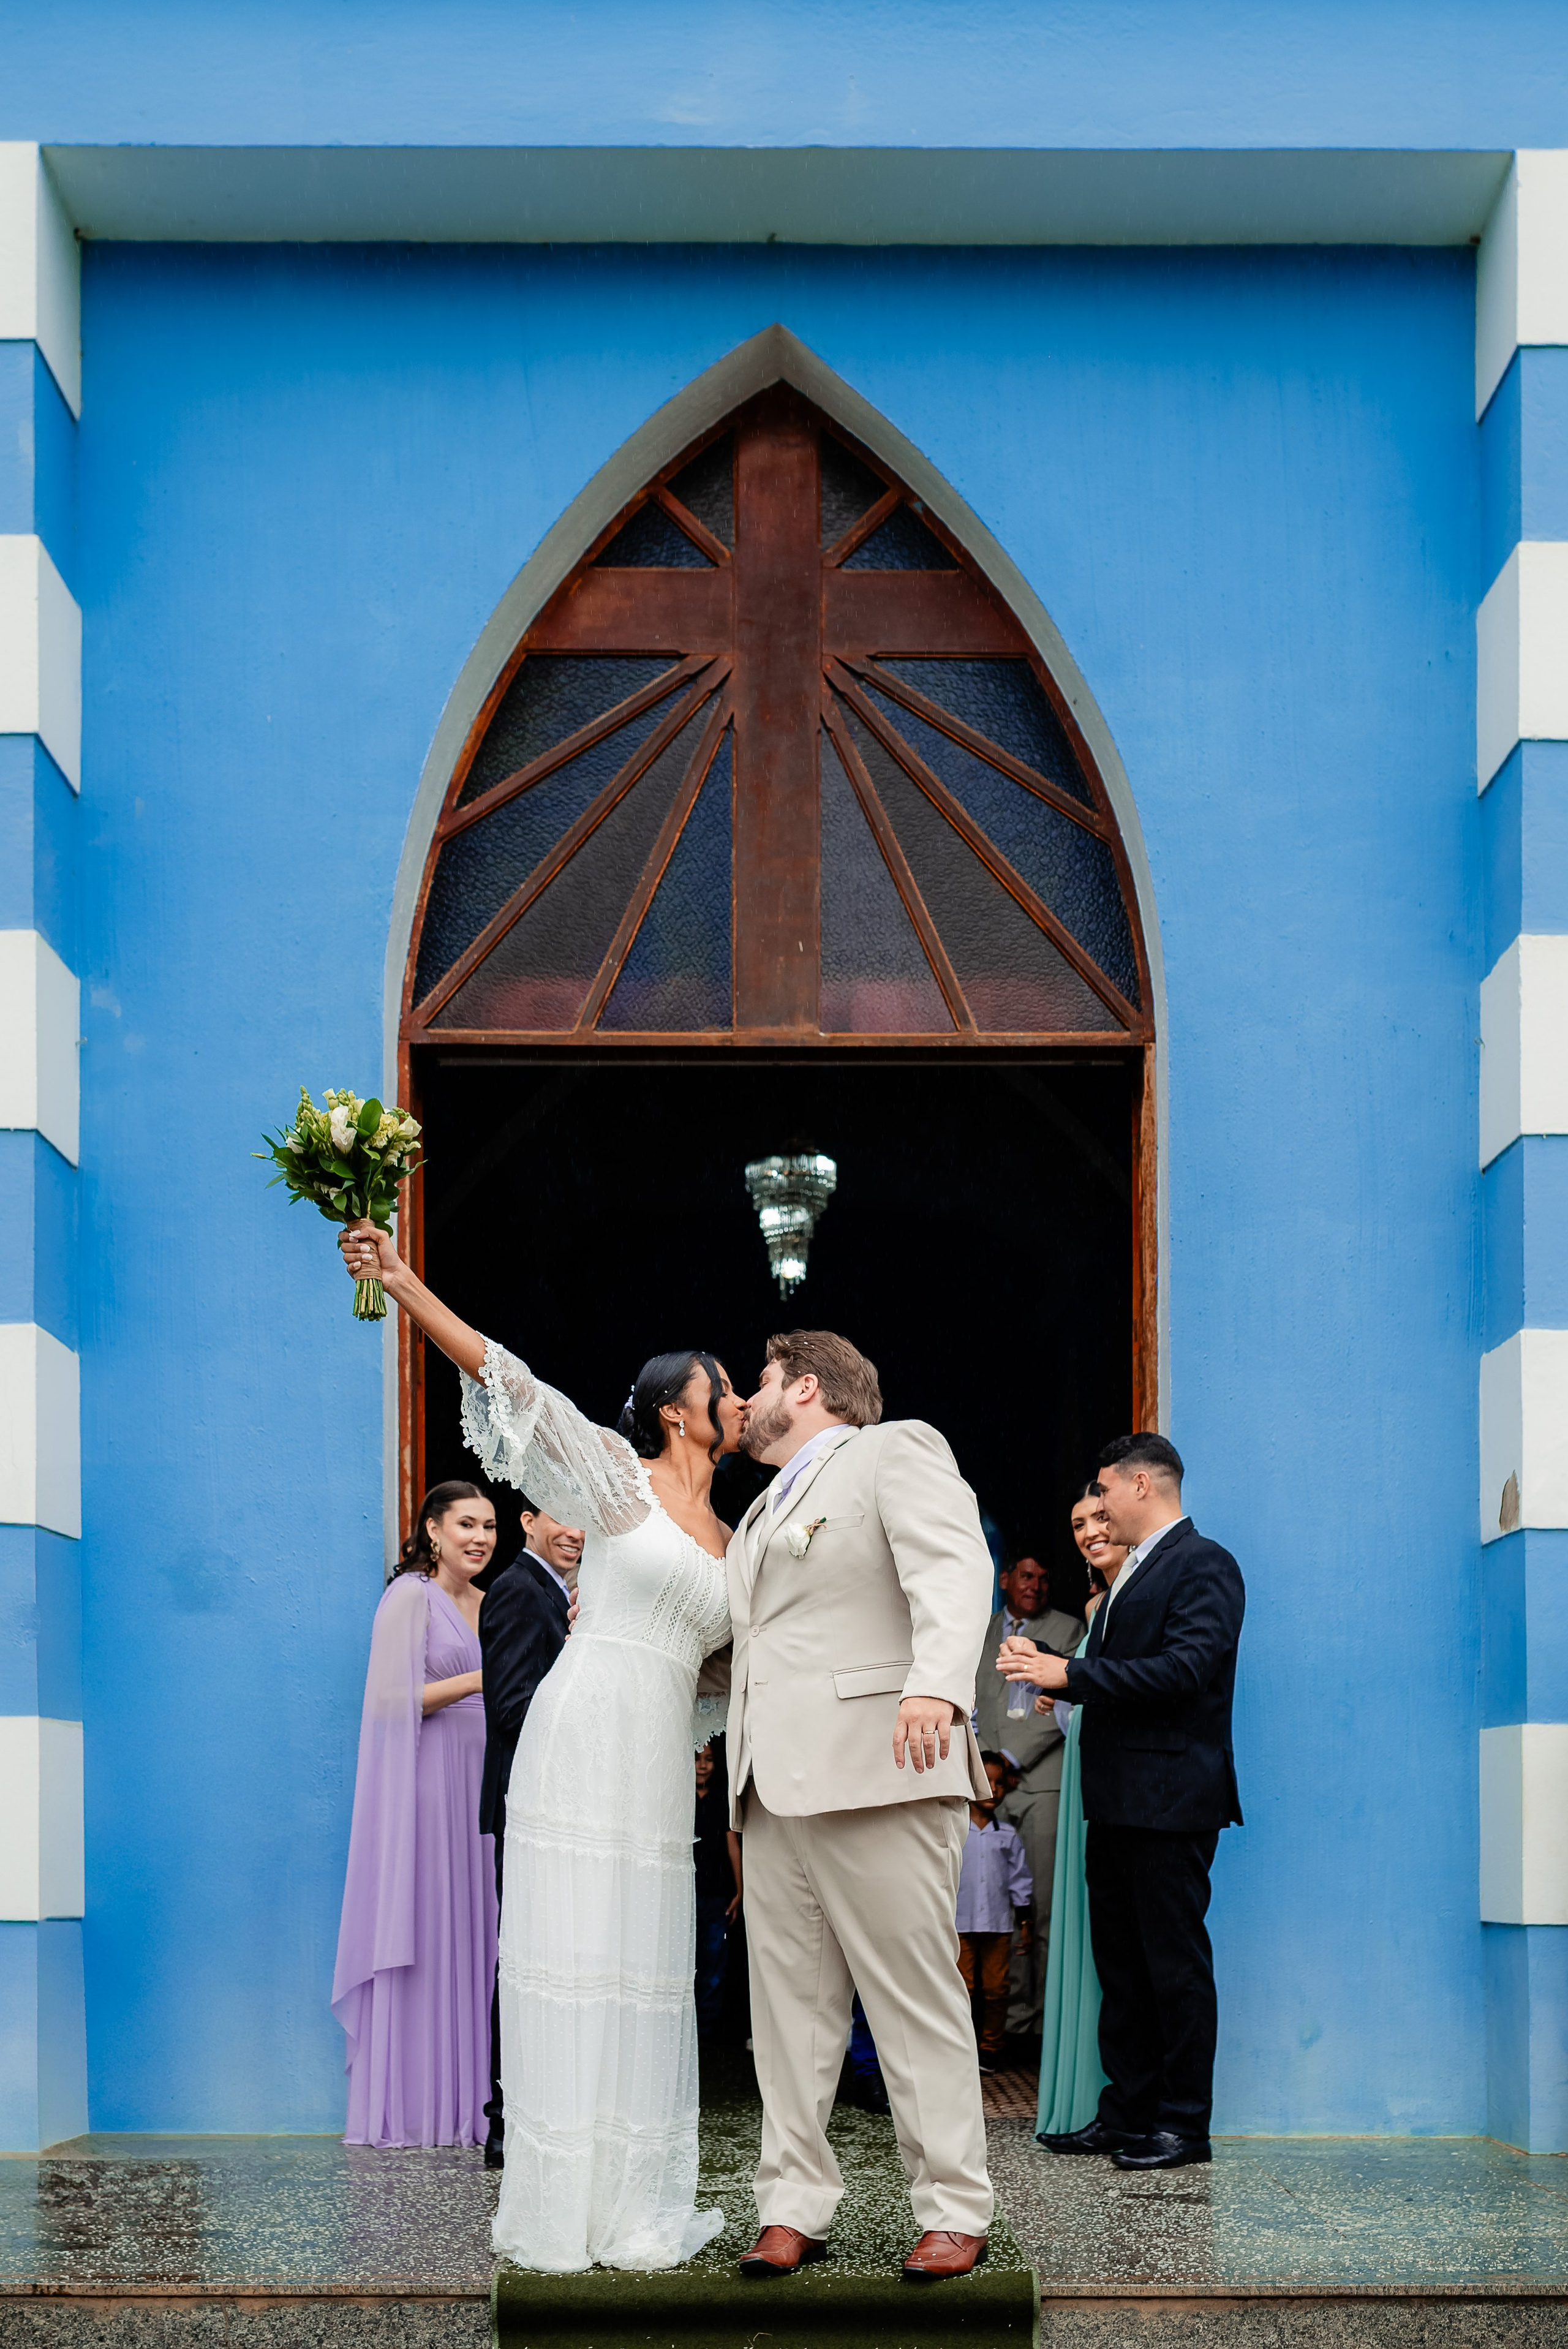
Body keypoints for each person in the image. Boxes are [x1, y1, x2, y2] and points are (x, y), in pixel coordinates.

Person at [339, 1216, 742, 2272]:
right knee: (572, 1961)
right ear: (675, 1411)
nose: (735, 1400)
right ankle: (560, 2205)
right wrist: (403, 1279)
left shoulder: (738, 1541)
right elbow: (508, 1380)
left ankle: (634, 2201)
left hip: (658, 1761)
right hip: (581, 1734)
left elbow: (734, 1666)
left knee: (644, 1971)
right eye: (722, 1387)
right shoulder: (614, 1476)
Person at [725, 1329, 997, 2286]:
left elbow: (955, 1571)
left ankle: (955, 2206)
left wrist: (938, 1686)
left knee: (912, 1997)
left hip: (884, 1758)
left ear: (805, 1385)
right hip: (770, 1790)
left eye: (759, 1379)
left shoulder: (894, 1449)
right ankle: (792, 2206)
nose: (746, 1398)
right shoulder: (760, 1509)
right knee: (789, 2015)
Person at [998, 1434, 1244, 2173]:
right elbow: (1119, 1677)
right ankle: (1127, 2113)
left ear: (1142, 1484)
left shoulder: (1205, 1563)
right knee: (1124, 1970)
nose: (1097, 1506)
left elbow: (1184, 1671)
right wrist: (1067, 1685)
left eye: (1104, 1491)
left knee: (1172, 1967)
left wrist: (1071, 1671)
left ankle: (1182, 2125)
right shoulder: (1128, 1575)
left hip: (1171, 1801)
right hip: (1113, 1803)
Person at [331, 1480, 500, 2148]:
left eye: (488, 1525)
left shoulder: (493, 1603)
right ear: (433, 1529)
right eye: (465, 1523)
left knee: (479, 1937)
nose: (480, 1537)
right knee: (433, 1936)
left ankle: (475, 2106)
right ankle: (418, 2106)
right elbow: (387, 1699)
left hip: (484, 1789)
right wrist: (481, 1678)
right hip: (432, 1788)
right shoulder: (409, 1596)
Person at [478, 1496, 583, 2168]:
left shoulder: (557, 1594)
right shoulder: (518, 1590)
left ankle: (531, 2113)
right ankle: (505, 2123)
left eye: (585, 1520)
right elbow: (513, 1708)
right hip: (529, 1807)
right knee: (523, 1963)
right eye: (560, 1513)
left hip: (557, 1808)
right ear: (527, 1519)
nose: (575, 1531)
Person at [1029, 1484, 1129, 2137]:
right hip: (1084, 1775)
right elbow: (1087, 1710)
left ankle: (1108, 2095)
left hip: (1118, 1785)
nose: (1090, 1531)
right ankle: (1090, 2101)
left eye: (1100, 1517)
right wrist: (1058, 1698)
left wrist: (1066, 1680)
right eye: (1077, 1524)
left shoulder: (1128, 1603)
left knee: (1117, 1947)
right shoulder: (1096, 1605)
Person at [971, 1551, 1085, 2039]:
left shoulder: (1070, 1630)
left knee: (1040, 1908)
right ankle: (1008, 2022)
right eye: (1026, 1575)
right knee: (995, 1910)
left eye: (1043, 1577)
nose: (1035, 1585)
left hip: (1041, 1784)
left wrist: (1009, 1761)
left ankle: (1044, 2024)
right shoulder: (982, 1628)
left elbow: (1062, 1703)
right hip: (986, 1788)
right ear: (1005, 1579)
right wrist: (981, 1764)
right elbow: (973, 1698)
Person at [956, 1751, 1033, 2073]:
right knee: (963, 1988)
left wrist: (1025, 1923)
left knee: (997, 1989)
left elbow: (1020, 1881)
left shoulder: (1008, 1835)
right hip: (960, 1924)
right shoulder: (955, 1833)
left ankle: (990, 2049)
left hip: (999, 1926)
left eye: (1000, 1783)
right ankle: (960, 2049)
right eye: (987, 1781)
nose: (995, 1789)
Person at [693, 1740, 742, 2038]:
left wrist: (739, 1890)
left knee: (714, 1962)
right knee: (689, 1960)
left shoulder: (720, 1800)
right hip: (687, 1893)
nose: (703, 1764)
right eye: (698, 1758)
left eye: (709, 1759)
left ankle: (706, 2030)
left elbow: (732, 1845)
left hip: (716, 1896)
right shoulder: (680, 1798)